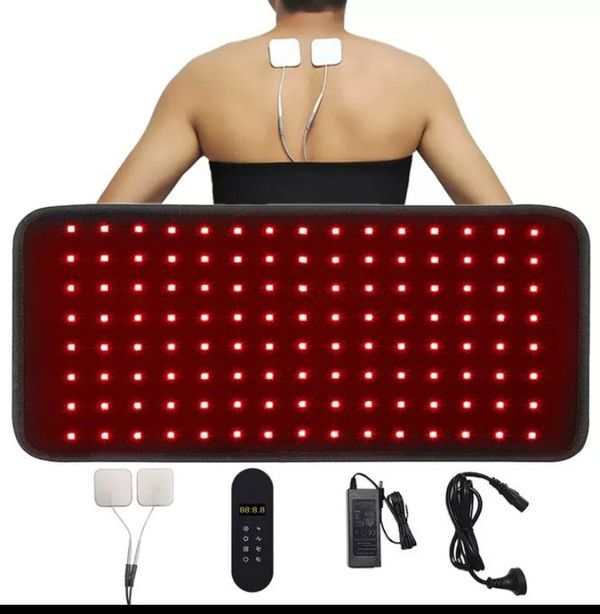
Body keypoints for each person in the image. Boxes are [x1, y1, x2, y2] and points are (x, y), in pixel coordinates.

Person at [98, 0, 512, 205]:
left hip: (244, 333)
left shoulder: (202, 79)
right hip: (375, 332)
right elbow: (505, 223)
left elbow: (104, 222)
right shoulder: (413, 79)